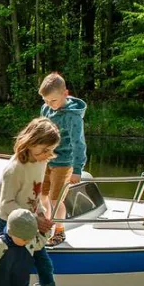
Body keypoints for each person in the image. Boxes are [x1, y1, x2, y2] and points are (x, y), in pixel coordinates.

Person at [0, 117, 84, 286]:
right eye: (44, 149)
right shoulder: (14, 169)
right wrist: (35, 220)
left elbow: (34, 195)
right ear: (30, 141)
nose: (48, 155)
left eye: (51, 150)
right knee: (9, 274)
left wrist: (43, 215)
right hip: (10, 226)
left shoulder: (41, 161)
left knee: (44, 265)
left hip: (30, 223)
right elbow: (6, 206)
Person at [39, 72, 87, 247]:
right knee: (41, 195)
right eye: (46, 101)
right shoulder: (46, 108)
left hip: (63, 163)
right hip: (45, 160)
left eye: (53, 101)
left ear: (65, 94)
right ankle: (45, 225)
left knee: (55, 199)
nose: (49, 105)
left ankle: (59, 231)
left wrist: (77, 169)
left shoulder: (72, 117)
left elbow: (78, 144)